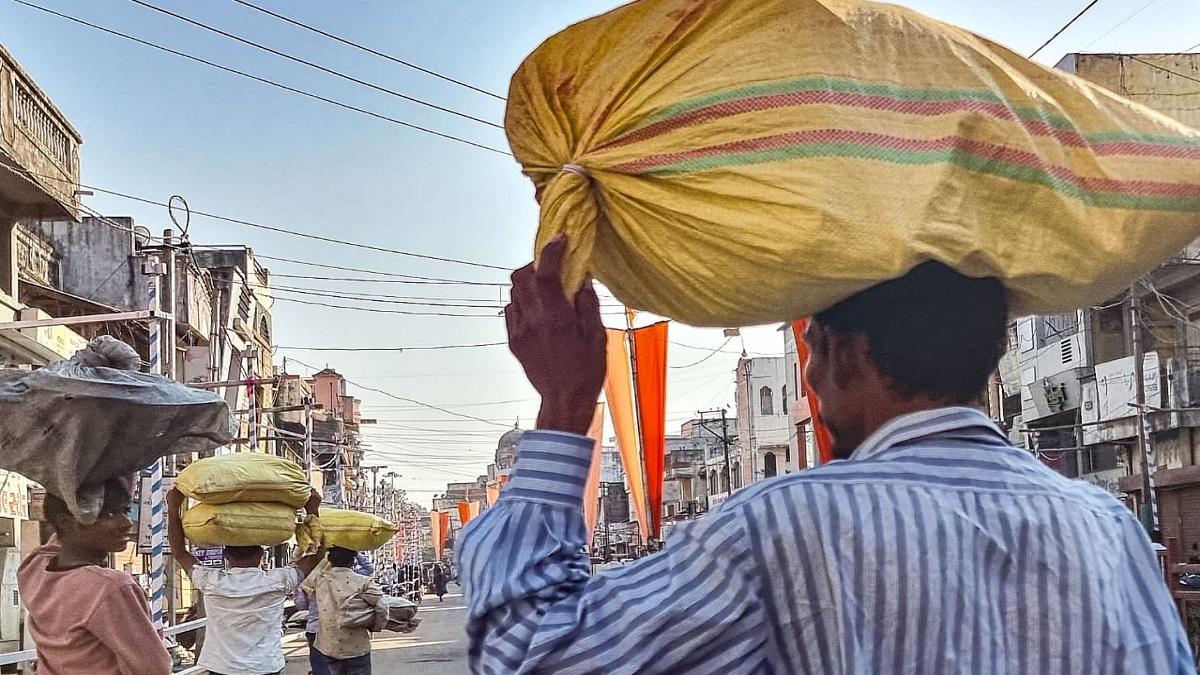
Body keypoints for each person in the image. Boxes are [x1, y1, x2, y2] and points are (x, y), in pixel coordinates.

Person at [456, 235, 1194, 673]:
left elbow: (531, 653)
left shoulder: (785, 527)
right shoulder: (1109, 528)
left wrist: (564, 403)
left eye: (810, 350)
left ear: (844, 354)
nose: (807, 377)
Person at [19, 476, 172, 675]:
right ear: (67, 522)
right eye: (107, 514)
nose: (126, 523)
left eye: (124, 511)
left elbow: (57, 539)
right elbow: (155, 669)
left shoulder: (33, 569)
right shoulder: (110, 587)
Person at [166, 487, 325, 675]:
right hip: (265, 667)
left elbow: (179, 551)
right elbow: (316, 555)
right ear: (261, 554)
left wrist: (173, 506)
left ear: (226, 554)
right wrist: (313, 510)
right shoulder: (279, 580)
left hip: (222, 668)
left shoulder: (211, 581)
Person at [295, 550, 374, 675]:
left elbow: (301, 605)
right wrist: (351, 550)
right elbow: (368, 568)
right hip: (346, 628)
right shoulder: (354, 578)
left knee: (322, 670)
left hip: (315, 630)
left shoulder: (308, 582)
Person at [313, 546, 385, 675]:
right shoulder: (363, 582)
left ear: (329, 560)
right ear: (353, 562)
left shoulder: (319, 580)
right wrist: (375, 626)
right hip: (356, 646)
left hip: (329, 646)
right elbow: (382, 607)